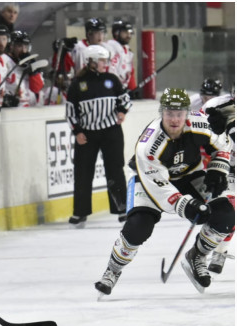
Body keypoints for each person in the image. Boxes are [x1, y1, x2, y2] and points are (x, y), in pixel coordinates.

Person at [94, 88, 234, 295]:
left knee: (225, 216)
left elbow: (222, 144)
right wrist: (186, 205)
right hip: (150, 183)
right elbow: (158, 186)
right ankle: (112, 270)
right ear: (161, 112)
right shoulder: (148, 144)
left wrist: (217, 169)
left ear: (187, 113)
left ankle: (197, 255)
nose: (175, 119)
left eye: (179, 113)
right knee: (138, 228)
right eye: (169, 113)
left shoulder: (198, 123)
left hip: (189, 176)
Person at [66, 44, 131, 226]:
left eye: (106, 60)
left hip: (111, 132)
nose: (105, 63)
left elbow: (124, 99)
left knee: (115, 169)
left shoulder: (112, 79)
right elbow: (71, 111)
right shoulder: (78, 84)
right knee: (83, 173)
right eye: (102, 60)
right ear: (91, 62)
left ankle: (121, 208)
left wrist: (122, 111)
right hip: (87, 134)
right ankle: (80, 212)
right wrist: (77, 131)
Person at [201, 92, 235, 274]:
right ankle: (205, 252)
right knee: (224, 210)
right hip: (223, 164)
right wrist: (212, 127)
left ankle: (219, 251)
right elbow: (192, 128)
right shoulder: (216, 105)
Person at [3, 30, 44, 108]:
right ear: (11, 47)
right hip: (11, 110)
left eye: (25, 46)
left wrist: (33, 71)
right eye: (19, 46)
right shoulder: (5, 61)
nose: (23, 50)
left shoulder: (31, 63)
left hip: (30, 109)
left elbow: (36, 89)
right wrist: (5, 98)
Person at [106, 20, 136, 91]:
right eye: (125, 33)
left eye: (130, 33)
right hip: (111, 90)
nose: (129, 36)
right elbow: (107, 71)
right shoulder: (110, 47)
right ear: (116, 33)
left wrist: (133, 89)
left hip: (122, 90)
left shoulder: (127, 50)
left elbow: (130, 72)